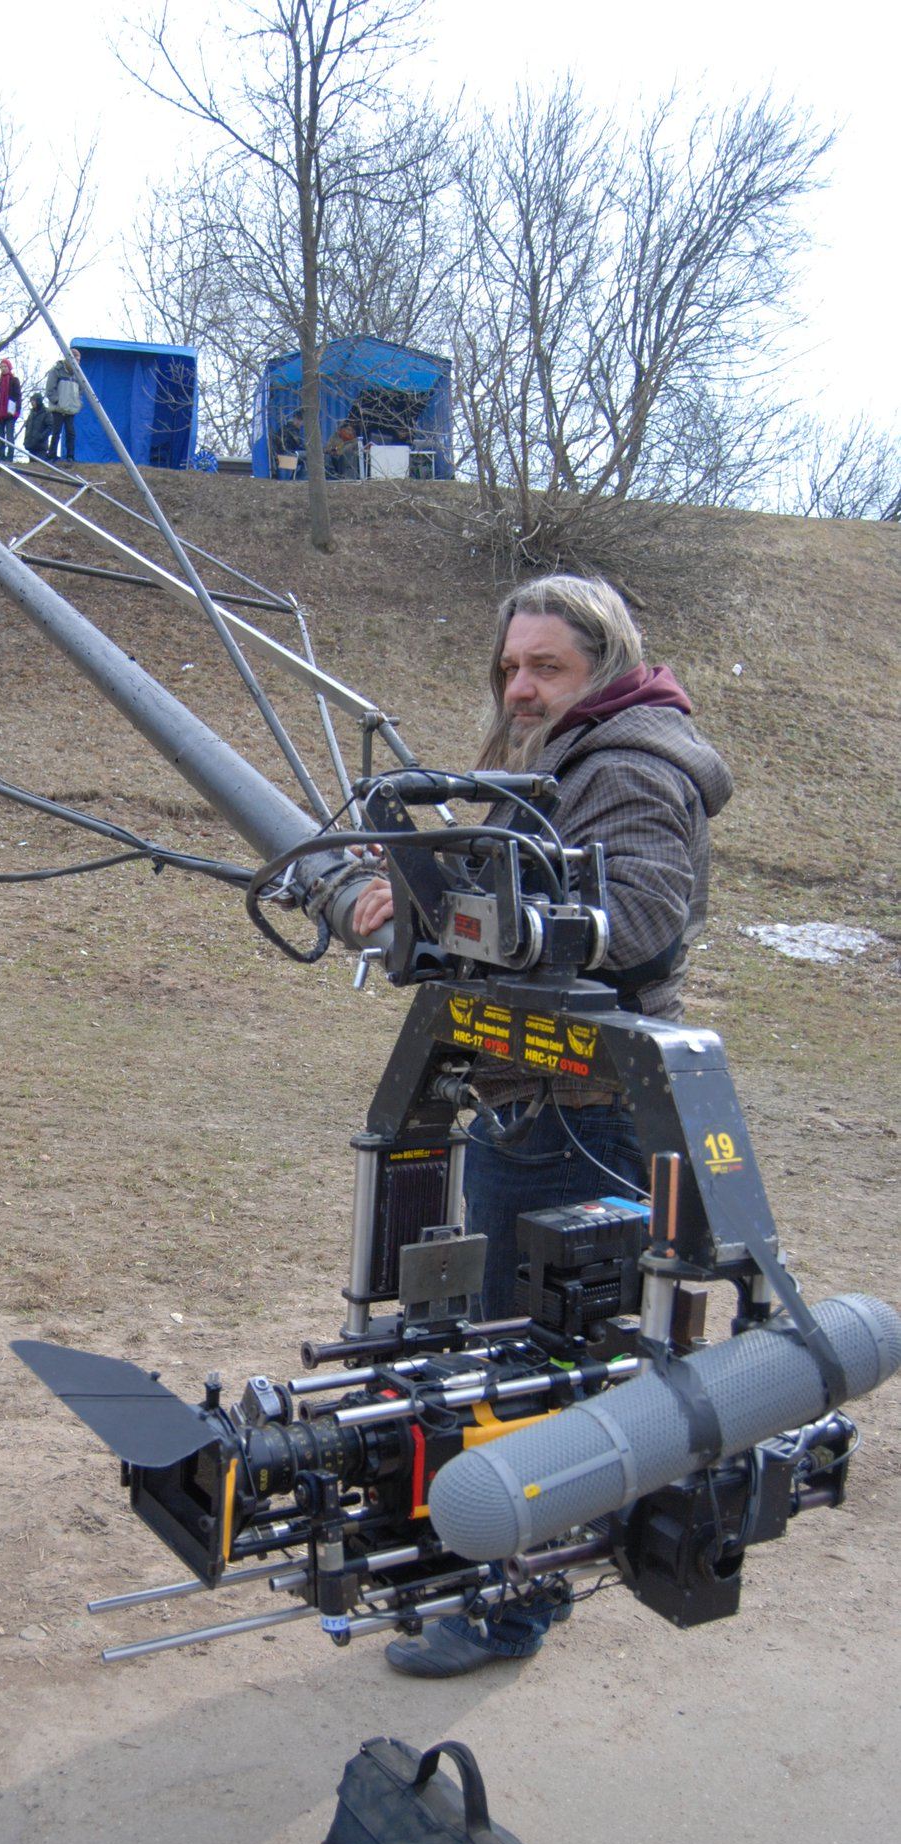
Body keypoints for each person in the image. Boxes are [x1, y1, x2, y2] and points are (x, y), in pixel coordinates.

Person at [352, 573, 733, 1678]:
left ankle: (514, 1603)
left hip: (582, 1118)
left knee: (544, 1367)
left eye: (546, 667)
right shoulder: (565, 755)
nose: (520, 687)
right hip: (529, 1100)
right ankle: (486, 1563)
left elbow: (640, 917)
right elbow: (518, 892)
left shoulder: (626, 766)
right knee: (505, 1350)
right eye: (510, 666)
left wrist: (465, 913)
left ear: (603, 665)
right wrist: (420, 893)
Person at [44, 356, 83, 463]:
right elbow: (50, 389)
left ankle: (70, 456)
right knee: (56, 431)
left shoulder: (78, 373)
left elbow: (81, 389)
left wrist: (77, 402)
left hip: (70, 408)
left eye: (79, 360)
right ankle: (52, 455)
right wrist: (57, 401)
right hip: (58, 408)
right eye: (76, 359)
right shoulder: (56, 371)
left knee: (70, 432)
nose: (77, 362)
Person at [0, 357, 22, 461]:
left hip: (10, 412)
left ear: (9, 367)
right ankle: (1, 456)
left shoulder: (14, 381)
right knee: (0, 437)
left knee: (10, 436)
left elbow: (18, 397)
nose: (3, 368)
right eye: (1, 367)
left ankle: (10, 457)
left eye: (5, 366)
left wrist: (17, 411)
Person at [21, 390, 51, 458]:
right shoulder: (31, 413)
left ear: (38, 401)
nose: (32, 403)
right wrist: (26, 441)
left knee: (40, 463)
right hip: (31, 446)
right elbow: (28, 428)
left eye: (33, 401)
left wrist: (41, 437)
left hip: (41, 447)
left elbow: (50, 427)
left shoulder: (46, 412)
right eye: (31, 401)